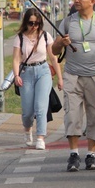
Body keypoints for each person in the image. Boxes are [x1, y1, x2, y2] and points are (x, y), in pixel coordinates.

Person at [52, 0, 95, 172]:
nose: (76, 0)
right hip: (73, 75)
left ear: (92, 1)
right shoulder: (68, 22)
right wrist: (61, 42)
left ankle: (91, 155)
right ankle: (74, 153)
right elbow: (54, 50)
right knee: (72, 115)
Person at [12, 9, 63, 150]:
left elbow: (53, 57)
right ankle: (27, 129)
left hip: (43, 71)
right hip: (26, 72)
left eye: (37, 23)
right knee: (28, 110)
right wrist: (16, 75)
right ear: (26, 23)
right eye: (31, 23)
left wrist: (60, 77)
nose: (34, 26)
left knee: (41, 106)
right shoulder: (20, 38)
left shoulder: (45, 36)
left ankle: (41, 137)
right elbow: (16, 59)